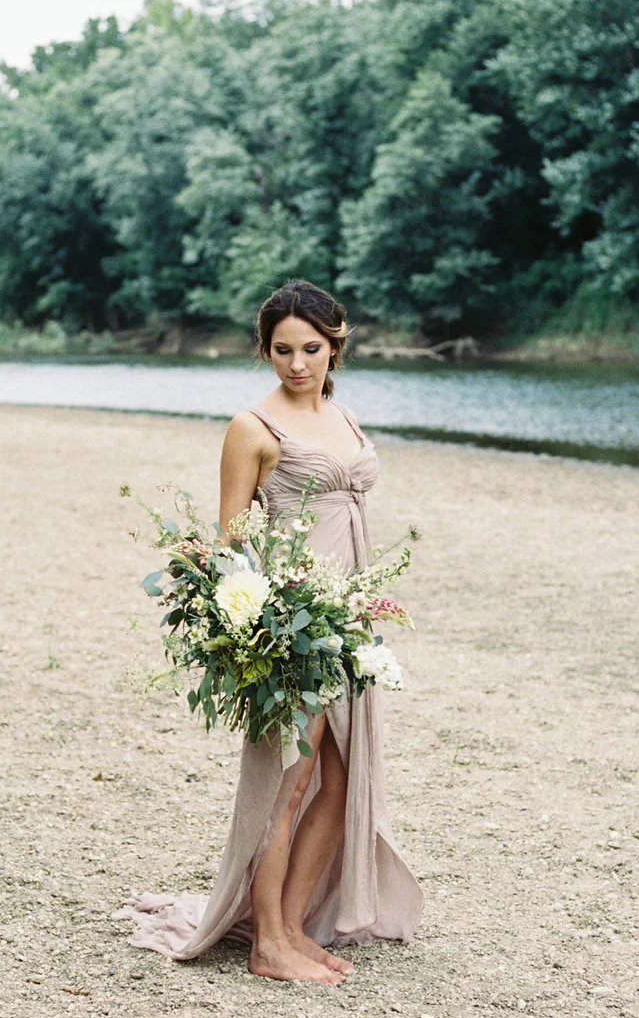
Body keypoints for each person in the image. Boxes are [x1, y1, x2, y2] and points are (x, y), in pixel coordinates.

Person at [115, 281, 422, 982]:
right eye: (282, 350)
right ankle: (268, 944)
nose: (296, 363)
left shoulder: (343, 416)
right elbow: (230, 538)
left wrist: (371, 603)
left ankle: (289, 922)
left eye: (311, 348)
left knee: (342, 777)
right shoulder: (253, 427)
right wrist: (259, 620)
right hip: (294, 617)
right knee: (290, 776)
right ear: (265, 350)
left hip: (349, 613)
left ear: (335, 345)